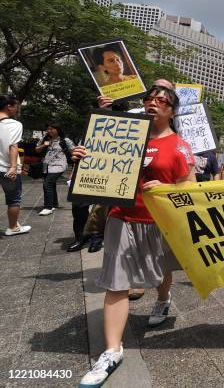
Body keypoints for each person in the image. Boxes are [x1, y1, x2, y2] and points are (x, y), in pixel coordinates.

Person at [76, 81, 195, 387]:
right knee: (117, 281)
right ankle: (112, 350)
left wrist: (168, 188)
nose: (153, 102)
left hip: (159, 223)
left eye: (162, 100)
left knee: (163, 269)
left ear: (172, 111)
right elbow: (100, 163)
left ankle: (163, 299)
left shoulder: (180, 146)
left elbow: (191, 185)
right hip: (121, 217)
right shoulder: (125, 132)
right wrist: (85, 156)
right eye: (149, 98)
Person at [0, 95, 31, 236]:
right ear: (9, 106)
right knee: (13, 199)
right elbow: (13, 146)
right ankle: (12, 227)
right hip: (7, 168)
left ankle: (15, 224)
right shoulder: (14, 124)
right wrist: (13, 167)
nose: (17, 108)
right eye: (16, 105)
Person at [35, 124, 75, 216]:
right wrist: (44, 145)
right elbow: (37, 150)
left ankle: (48, 207)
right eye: (48, 129)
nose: (49, 131)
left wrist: (75, 163)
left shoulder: (65, 140)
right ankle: (54, 204)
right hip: (47, 166)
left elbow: (73, 151)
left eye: (52, 129)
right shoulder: (44, 139)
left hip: (59, 165)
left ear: (58, 130)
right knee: (51, 184)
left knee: (47, 183)